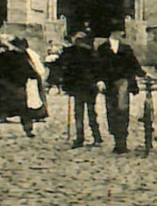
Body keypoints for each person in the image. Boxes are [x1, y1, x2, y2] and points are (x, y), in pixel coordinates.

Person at [96, 23, 145, 154]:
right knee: (111, 110)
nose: (121, 34)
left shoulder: (126, 48)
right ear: (113, 33)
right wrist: (100, 80)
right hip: (109, 83)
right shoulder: (102, 48)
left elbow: (134, 64)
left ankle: (122, 142)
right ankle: (116, 138)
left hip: (123, 81)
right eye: (119, 32)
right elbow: (98, 66)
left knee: (123, 109)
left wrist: (143, 74)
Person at [54, 32, 103, 147]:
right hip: (90, 85)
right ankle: (96, 136)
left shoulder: (70, 52)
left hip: (78, 86)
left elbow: (60, 65)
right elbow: (98, 68)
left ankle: (80, 137)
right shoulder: (92, 52)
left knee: (79, 112)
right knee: (91, 111)